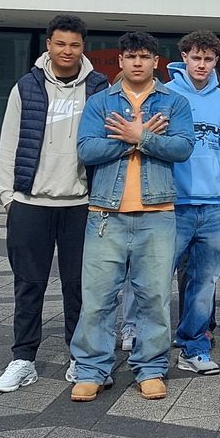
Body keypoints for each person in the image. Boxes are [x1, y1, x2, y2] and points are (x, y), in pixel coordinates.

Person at [70, 33, 195, 402]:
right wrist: (134, 137)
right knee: (97, 298)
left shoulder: (175, 102)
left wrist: (144, 137)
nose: (137, 62)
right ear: (120, 61)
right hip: (106, 214)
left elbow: (183, 147)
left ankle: (152, 368)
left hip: (157, 215)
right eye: (130, 56)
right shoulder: (100, 102)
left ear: (156, 61)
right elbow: (87, 149)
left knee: (153, 297)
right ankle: (93, 369)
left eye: (144, 56)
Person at [0, 14, 108, 394]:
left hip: (81, 204)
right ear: (49, 45)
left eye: (74, 45)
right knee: (29, 285)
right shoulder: (26, 87)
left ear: (82, 47)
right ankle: (23, 359)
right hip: (30, 203)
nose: (67, 51)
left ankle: (81, 358)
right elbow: (9, 141)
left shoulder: (99, 87)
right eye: (60, 44)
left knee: (80, 287)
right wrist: (8, 196)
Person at [165, 30, 220, 377]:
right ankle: (151, 349)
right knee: (157, 278)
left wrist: (214, 185)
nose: (202, 65)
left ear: (215, 62)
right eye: (196, 57)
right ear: (184, 58)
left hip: (210, 206)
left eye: (208, 59)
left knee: (204, 283)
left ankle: (194, 346)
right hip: (173, 203)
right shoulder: (165, 94)